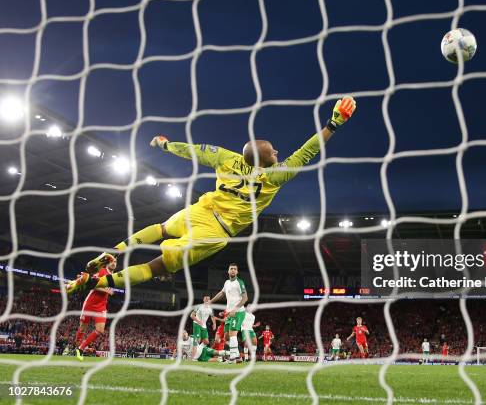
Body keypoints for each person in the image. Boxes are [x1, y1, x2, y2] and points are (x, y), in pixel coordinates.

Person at [65, 97, 357, 295]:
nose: (278, 153)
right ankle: (97, 281)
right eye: (274, 153)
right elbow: (306, 152)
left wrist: (167, 146)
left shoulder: (229, 159)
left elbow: (197, 151)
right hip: (215, 230)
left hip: (201, 209)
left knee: (161, 229)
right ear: (266, 161)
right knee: (157, 267)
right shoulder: (275, 176)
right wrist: (333, 124)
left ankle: (114, 251)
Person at [74, 254, 116, 361]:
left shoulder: (113, 276)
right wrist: (107, 290)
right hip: (90, 303)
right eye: (112, 261)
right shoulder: (102, 271)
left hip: (101, 306)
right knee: (82, 328)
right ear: (107, 263)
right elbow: (91, 284)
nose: (114, 263)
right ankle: (76, 348)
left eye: (115, 262)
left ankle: (81, 348)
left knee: (100, 330)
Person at [210, 263, 248, 363]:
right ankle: (237, 356)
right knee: (226, 336)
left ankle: (233, 358)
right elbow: (222, 293)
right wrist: (211, 301)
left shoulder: (239, 282)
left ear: (237, 272)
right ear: (228, 271)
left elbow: (245, 298)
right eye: (231, 269)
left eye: (235, 269)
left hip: (238, 312)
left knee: (232, 334)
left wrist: (235, 309)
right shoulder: (227, 283)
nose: (233, 270)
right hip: (229, 313)